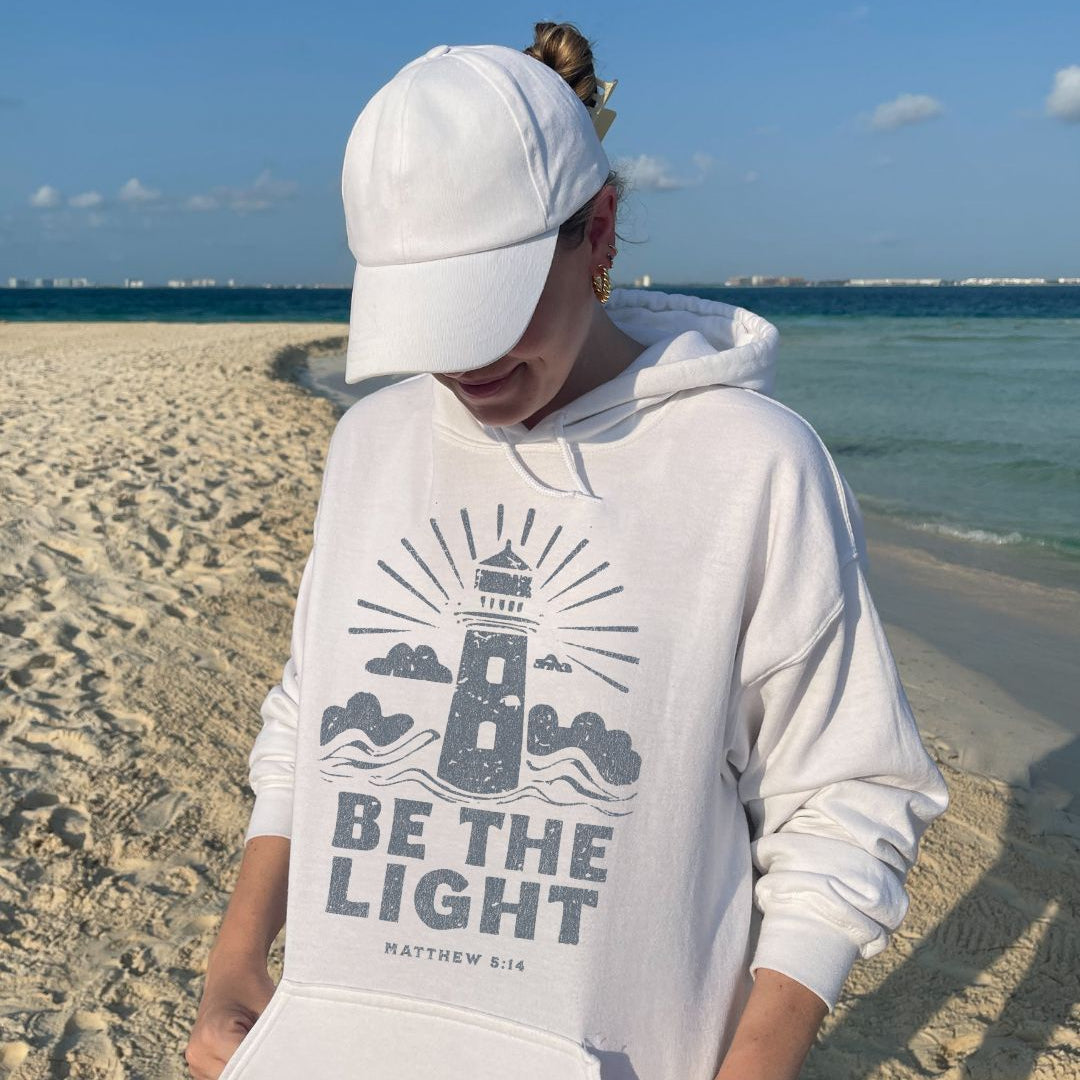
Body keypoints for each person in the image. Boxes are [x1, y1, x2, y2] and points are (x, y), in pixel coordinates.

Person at [185, 22, 949, 1080]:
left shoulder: (752, 466)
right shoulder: (370, 444)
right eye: (427, 318)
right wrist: (235, 962)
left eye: (487, 310)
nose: (462, 363)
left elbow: (847, 799)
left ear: (600, 233)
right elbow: (307, 716)